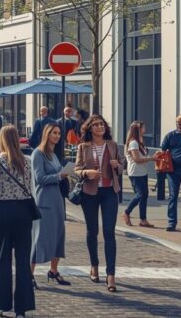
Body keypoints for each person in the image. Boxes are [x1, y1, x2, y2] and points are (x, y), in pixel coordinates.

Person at [0, 125, 36, 318]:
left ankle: (3, 305)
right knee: (23, 260)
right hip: (23, 210)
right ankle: (21, 308)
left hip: (3, 211)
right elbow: (31, 187)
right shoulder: (28, 161)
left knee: (2, 258)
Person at [75, 114, 122, 292]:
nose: (99, 127)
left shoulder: (112, 145)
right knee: (92, 231)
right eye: (95, 125)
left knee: (109, 232)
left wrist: (117, 165)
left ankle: (111, 274)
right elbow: (77, 169)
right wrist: (87, 172)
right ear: (89, 129)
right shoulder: (83, 147)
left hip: (110, 191)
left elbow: (122, 166)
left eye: (102, 124)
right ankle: (94, 265)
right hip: (90, 192)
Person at [30, 124, 70, 287]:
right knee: (40, 239)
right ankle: (29, 274)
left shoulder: (53, 154)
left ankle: (53, 271)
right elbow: (39, 178)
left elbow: (58, 173)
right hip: (44, 201)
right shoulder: (38, 154)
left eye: (59, 133)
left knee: (58, 236)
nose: (57, 136)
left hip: (57, 200)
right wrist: (60, 176)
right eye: (54, 133)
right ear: (47, 134)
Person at [123, 121, 157, 228]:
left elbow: (142, 156)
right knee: (140, 194)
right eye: (143, 127)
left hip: (142, 172)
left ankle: (143, 219)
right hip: (135, 173)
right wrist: (152, 158)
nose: (145, 129)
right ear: (138, 129)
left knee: (144, 195)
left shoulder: (139, 141)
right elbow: (137, 159)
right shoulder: (133, 142)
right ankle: (127, 212)